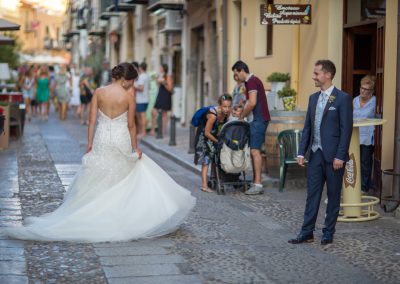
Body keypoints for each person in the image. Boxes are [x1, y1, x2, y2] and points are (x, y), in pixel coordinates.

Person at [3, 62, 196, 242]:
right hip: (120, 137)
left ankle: (95, 209)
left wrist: (89, 143)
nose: (132, 85)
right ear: (126, 79)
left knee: (100, 172)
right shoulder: (128, 96)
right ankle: (116, 211)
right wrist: (135, 147)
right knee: (121, 173)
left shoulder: (99, 92)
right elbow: (131, 126)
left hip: (102, 137)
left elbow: (92, 120)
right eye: (132, 81)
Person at [288, 60, 353, 246]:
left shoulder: (342, 99)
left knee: (333, 195)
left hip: (334, 158)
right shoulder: (312, 98)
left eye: (316, 73)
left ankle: (328, 232)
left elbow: (346, 129)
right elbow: (307, 127)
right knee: (312, 195)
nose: (313, 77)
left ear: (328, 75)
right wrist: (302, 152)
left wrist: (340, 155)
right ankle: (307, 232)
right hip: (315, 154)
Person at [231, 60, 271, 195]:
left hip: (258, 120)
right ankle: (255, 181)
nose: (236, 77)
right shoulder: (250, 82)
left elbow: (252, 103)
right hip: (258, 120)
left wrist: (242, 115)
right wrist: (241, 107)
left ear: (242, 70)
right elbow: (249, 101)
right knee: (255, 150)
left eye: (236, 74)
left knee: (255, 151)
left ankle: (258, 184)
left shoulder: (252, 81)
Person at [196, 94, 232, 193]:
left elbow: (222, 127)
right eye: (225, 107)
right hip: (204, 136)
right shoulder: (212, 115)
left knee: (216, 157)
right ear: (220, 106)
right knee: (206, 159)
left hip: (215, 135)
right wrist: (217, 141)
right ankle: (204, 186)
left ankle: (213, 179)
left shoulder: (227, 113)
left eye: (229, 106)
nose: (227, 109)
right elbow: (207, 132)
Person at [353, 75, 376, 193]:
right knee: (355, 161)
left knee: (365, 162)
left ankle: (364, 187)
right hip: (355, 135)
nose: (363, 91)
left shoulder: (375, 102)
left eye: (366, 89)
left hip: (367, 136)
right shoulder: (355, 100)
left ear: (371, 91)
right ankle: (356, 185)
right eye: (362, 88)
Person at [151, 64, 173, 135]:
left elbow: (170, 89)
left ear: (164, 68)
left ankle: (163, 130)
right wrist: (157, 81)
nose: (160, 68)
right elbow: (157, 85)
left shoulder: (168, 76)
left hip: (166, 96)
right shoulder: (160, 75)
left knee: (164, 114)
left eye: (161, 67)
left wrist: (164, 83)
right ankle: (153, 130)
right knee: (153, 112)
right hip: (160, 95)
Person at [134, 62, 150, 138]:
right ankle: (141, 132)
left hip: (141, 99)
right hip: (145, 98)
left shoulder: (142, 76)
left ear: (140, 68)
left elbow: (141, 88)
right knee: (141, 116)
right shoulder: (147, 76)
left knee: (142, 116)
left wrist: (134, 85)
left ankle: (143, 132)